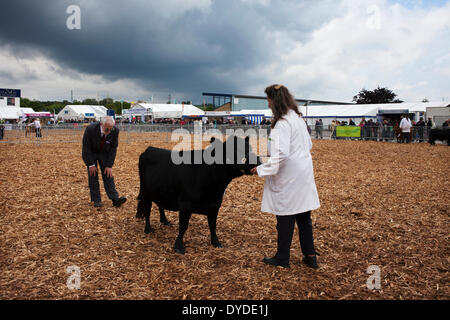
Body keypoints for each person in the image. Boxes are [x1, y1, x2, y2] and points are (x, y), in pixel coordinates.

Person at [251, 84, 321, 269]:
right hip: (303, 174)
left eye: (268, 100)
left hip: (289, 177)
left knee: (285, 216)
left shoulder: (282, 123)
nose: (268, 104)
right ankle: (310, 256)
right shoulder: (297, 119)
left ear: (275, 100)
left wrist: (261, 169)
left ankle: (282, 258)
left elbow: (280, 155)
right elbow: (309, 145)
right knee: (304, 216)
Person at [82, 116, 127, 208]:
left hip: (104, 153)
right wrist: (90, 164)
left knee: (108, 175)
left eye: (111, 129)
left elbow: (113, 148)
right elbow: (86, 148)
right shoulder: (90, 129)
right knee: (93, 175)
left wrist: (109, 165)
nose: (110, 131)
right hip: (92, 152)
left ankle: (115, 199)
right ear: (101, 124)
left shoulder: (115, 130)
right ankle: (96, 200)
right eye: (107, 129)